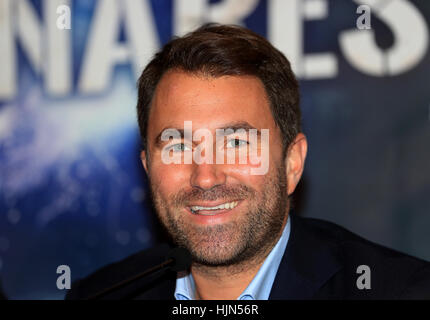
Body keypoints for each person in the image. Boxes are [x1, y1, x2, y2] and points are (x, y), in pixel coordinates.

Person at [66, 23, 430, 300]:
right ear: (148, 167)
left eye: (236, 142)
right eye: (177, 146)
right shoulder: (101, 295)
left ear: (292, 163)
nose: (205, 177)